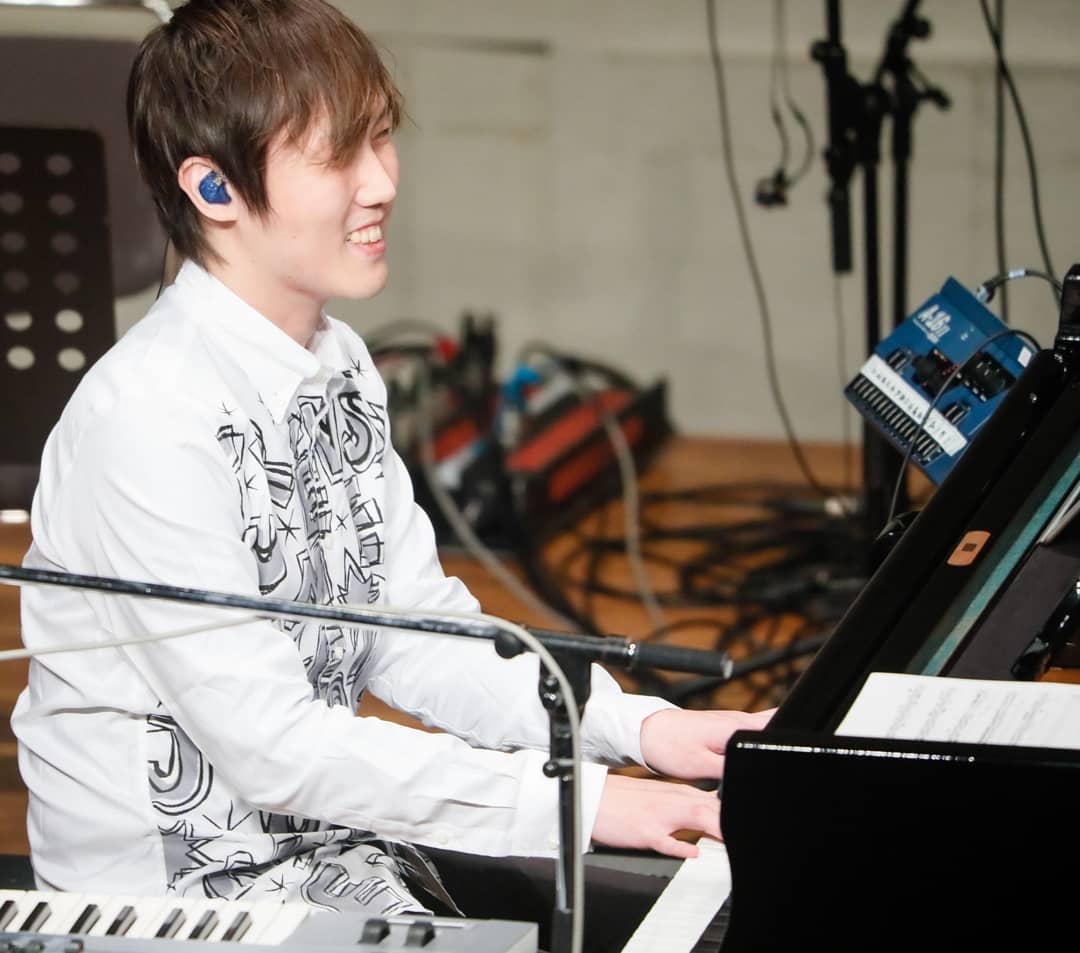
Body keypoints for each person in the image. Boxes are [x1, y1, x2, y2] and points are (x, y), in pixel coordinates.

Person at [10, 0, 771, 949]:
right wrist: (577, 802)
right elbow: (276, 749)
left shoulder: (340, 364)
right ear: (213, 188)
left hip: (328, 850)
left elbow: (417, 634)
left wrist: (638, 729)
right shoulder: (148, 416)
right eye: (337, 155)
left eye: (380, 137)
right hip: (174, 903)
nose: (379, 182)